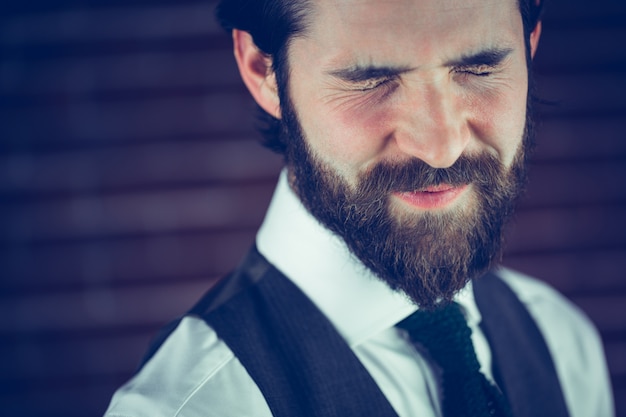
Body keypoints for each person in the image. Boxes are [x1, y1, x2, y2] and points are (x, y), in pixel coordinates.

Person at [104, 0, 614, 416]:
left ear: (529, 48)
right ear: (265, 71)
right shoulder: (193, 406)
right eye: (371, 79)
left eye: (479, 67)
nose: (441, 147)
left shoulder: (560, 339)